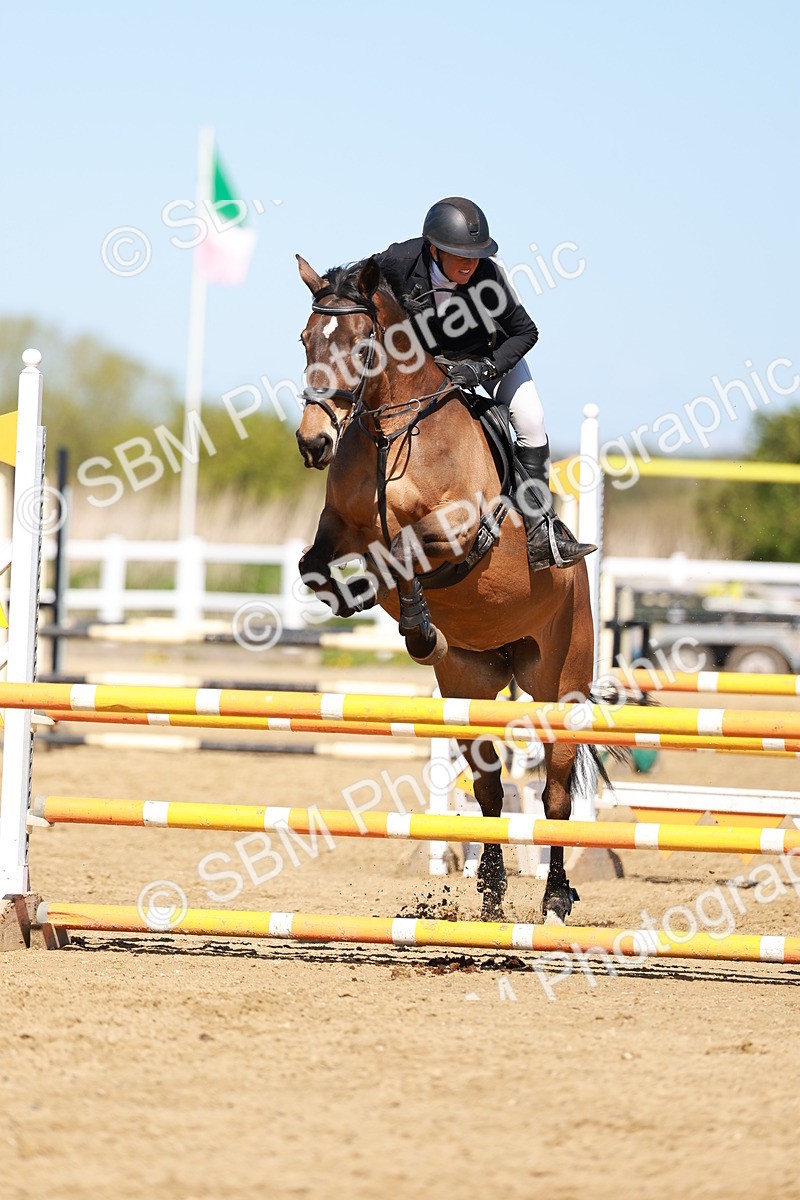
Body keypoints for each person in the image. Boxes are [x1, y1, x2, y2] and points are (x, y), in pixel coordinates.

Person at [374, 196, 595, 572]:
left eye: (476, 254)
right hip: (427, 366)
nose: (470, 263)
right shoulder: (398, 262)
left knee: (531, 417)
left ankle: (541, 528)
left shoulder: (488, 278)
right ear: (433, 250)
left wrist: (485, 370)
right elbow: (353, 282)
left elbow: (526, 332)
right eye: (460, 254)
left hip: (489, 357)